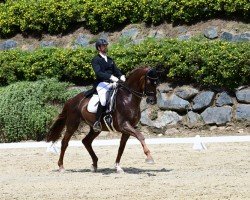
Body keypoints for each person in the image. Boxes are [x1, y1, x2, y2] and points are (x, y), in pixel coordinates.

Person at [91, 38, 126, 132]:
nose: (105, 47)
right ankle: (97, 122)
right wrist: (110, 76)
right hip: (102, 84)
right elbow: (98, 73)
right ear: (98, 48)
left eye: (106, 45)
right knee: (103, 101)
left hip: (113, 83)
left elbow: (116, 70)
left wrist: (121, 75)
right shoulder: (96, 60)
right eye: (103, 46)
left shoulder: (110, 59)